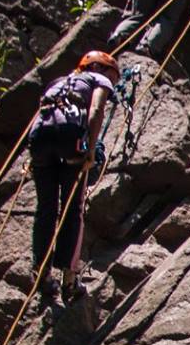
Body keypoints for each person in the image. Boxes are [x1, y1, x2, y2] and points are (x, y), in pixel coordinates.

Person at [25, 51, 119, 307]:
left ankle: (41, 274)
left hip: (40, 140)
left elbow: (40, 115)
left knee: (46, 208)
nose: (114, 81)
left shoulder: (57, 82)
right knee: (72, 208)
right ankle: (69, 280)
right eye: (114, 75)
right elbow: (97, 109)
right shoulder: (99, 80)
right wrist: (90, 148)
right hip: (69, 138)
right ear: (101, 68)